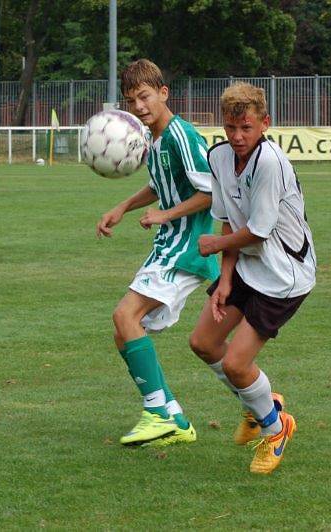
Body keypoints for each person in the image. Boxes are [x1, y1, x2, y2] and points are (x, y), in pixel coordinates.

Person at [189, 82, 316, 474]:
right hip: (245, 264)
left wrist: (213, 245)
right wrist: (225, 278)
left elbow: (258, 231)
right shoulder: (221, 157)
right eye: (231, 128)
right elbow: (229, 217)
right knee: (204, 343)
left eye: (246, 128)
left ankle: (276, 430)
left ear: (265, 123)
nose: (238, 136)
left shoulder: (271, 162)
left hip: (283, 276)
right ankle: (262, 406)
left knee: (237, 366)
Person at [96, 59, 219, 447]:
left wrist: (165, 214)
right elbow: (157, 184)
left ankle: (155, 413)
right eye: (132, 100)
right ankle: (175, 418)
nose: (139, 106)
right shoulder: (154, 138)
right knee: (123, 332)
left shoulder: (181, 135)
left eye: (145, 97)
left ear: (164, 93)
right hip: (167, 246)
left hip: (185, 247)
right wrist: (121, 207)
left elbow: (209, 192)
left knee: (124, 315)